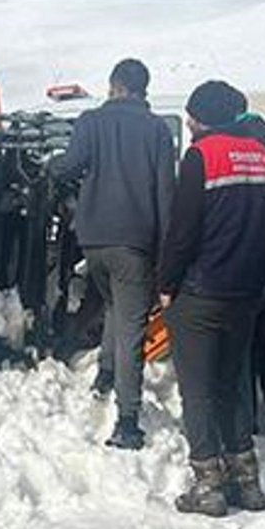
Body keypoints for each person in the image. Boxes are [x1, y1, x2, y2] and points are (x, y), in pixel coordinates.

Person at [158, 80, 265, 516]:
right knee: (233, 385)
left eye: (191, 115)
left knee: (197, 391)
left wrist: (166, 283)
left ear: (200, 118)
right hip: (246, 293)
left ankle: (208, 485)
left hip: (201, 291)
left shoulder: (201, 156)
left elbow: (183, 229)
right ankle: (247, 483)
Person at [50, 59, 177, 450]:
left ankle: (105, 374)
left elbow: (68, 166)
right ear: (143, 89)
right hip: (134, 242)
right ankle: (127, 421)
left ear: (113, 86)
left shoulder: (90, 122)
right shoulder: (157, 130)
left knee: (113, 306)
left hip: (93, 240)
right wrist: (166, 254)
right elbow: (165, 194)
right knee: (131, 329)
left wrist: (51, 166)